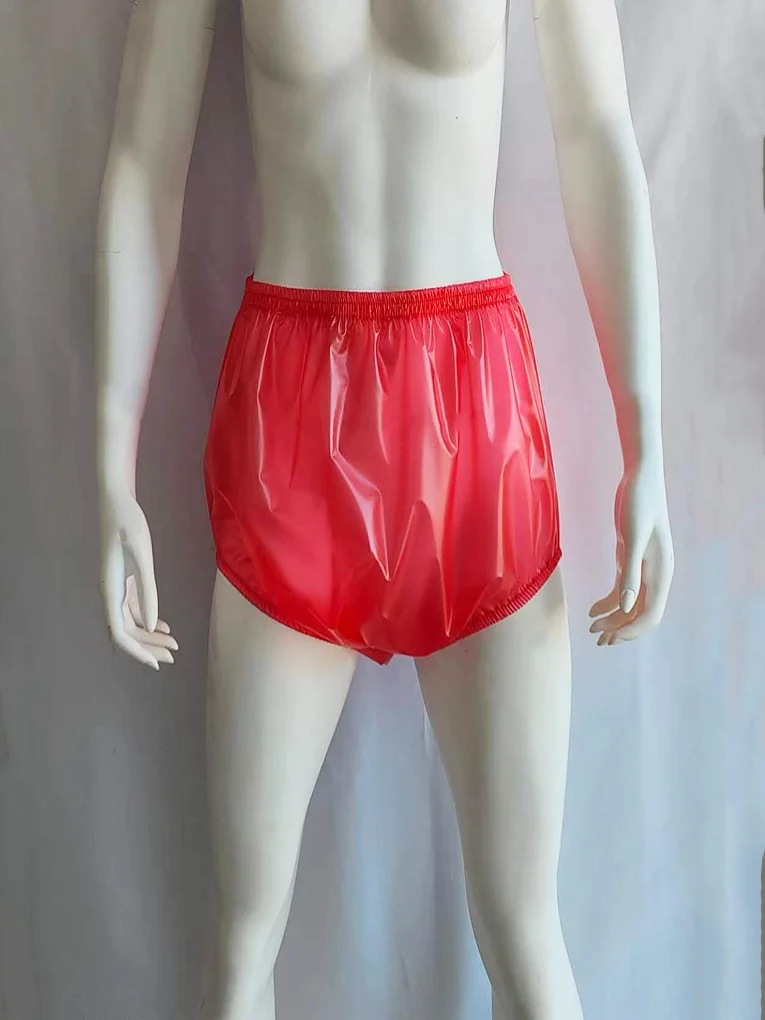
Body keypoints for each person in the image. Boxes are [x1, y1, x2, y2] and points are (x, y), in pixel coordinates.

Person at [95, 1, 674, 1017]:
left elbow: (598, 131)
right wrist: (110, 463)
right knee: (243, 936)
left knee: (522, 927)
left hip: (474, 427)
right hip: (291, 429)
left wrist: (646, 440)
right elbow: (145, 160)